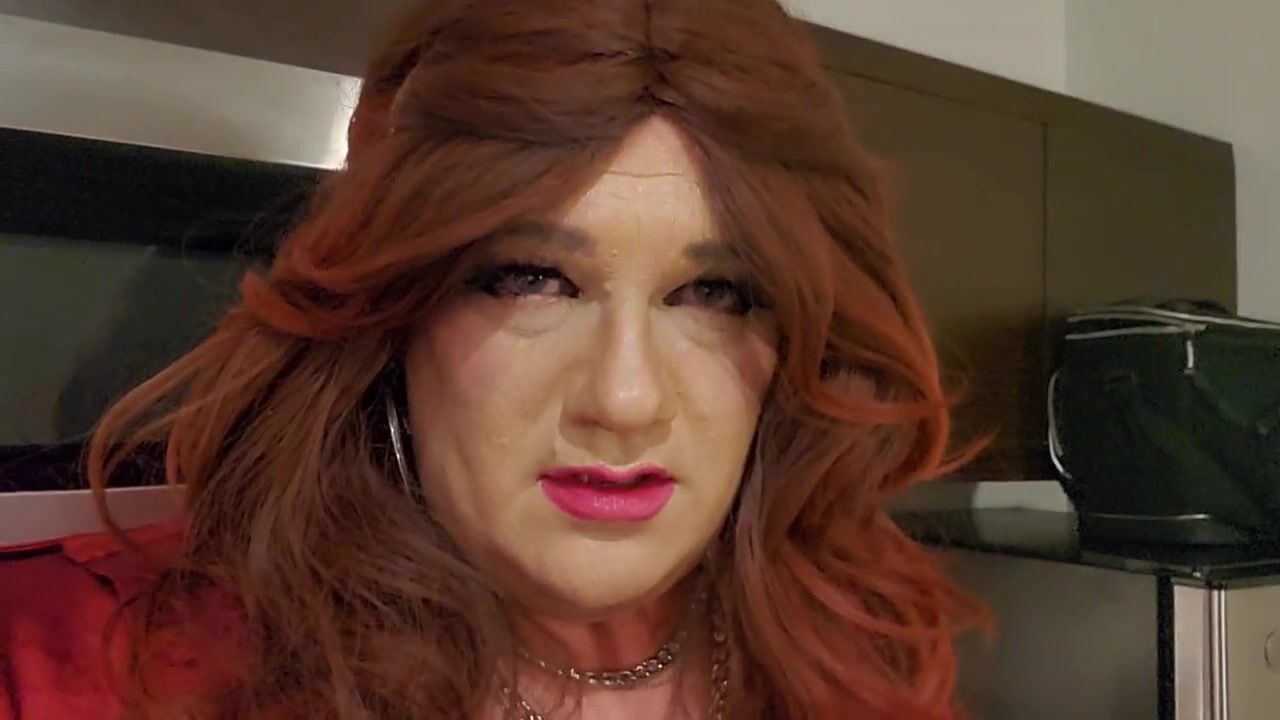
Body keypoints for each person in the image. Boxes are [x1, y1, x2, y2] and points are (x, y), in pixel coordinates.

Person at [0, 1, 982, 718]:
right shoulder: (84, 667)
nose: (624, 400)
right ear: (394, 316)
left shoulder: (857, 648)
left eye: (714, 294)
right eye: (529, 280)